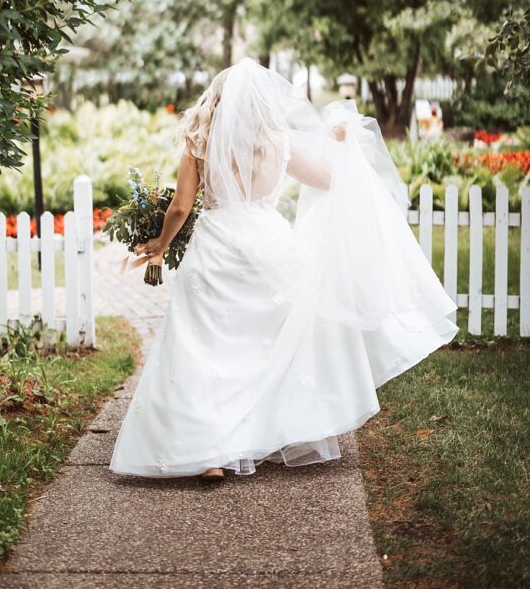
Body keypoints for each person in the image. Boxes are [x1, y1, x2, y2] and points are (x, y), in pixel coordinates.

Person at [109, 57, 458, 482]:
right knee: (265, 347)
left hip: (216, 248)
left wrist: (160, 245)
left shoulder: (200, 139)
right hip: (269, 247)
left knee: (204, 349)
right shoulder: (279, 141)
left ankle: (208, 455)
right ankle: (264, 430)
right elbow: (329, 180)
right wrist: (343, 145)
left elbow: (181, 206)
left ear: (217, 100)